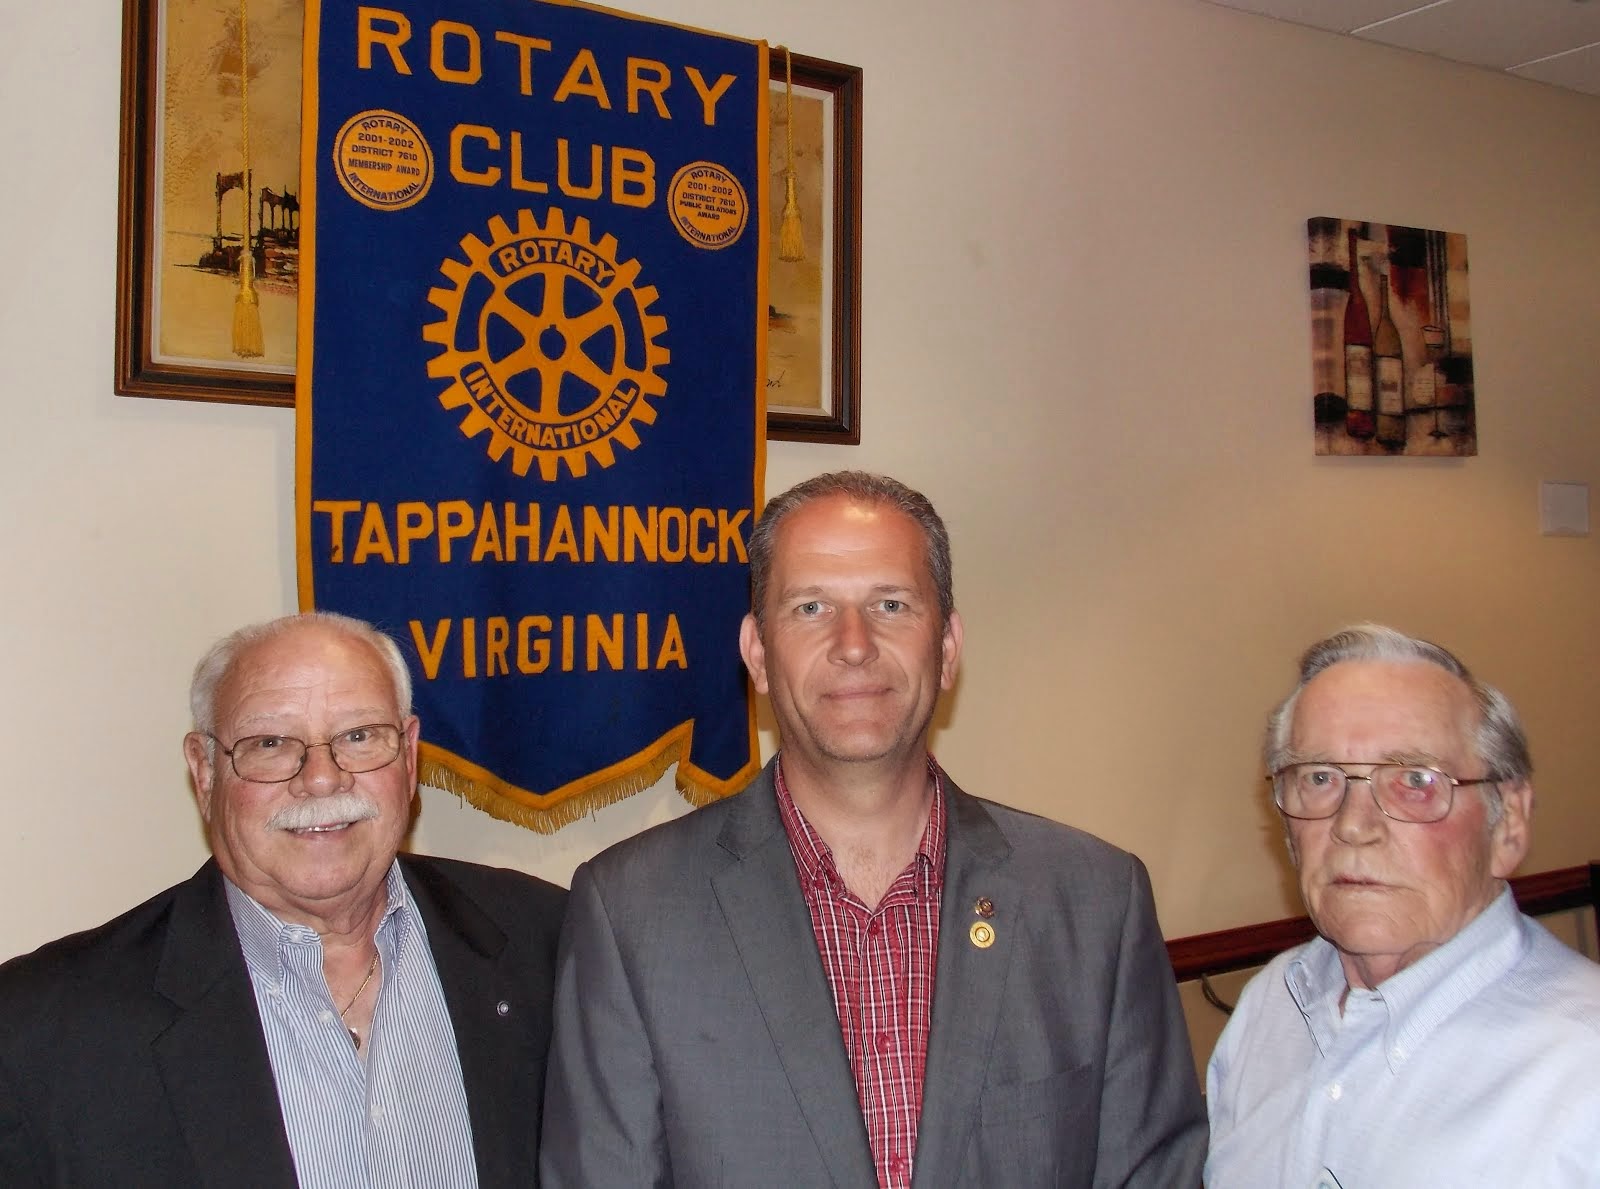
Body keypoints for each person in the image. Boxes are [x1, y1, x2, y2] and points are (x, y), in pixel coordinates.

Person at [541, 471, 1205, 1187]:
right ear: (758, 653)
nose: (853, 644)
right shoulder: (630, 914)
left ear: (947, 648)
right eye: (811, 607)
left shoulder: (1096, 902)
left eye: (891, 604)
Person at [0, 612, 567, 1187]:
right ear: (204, 772)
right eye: (270, 744)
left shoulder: (554, 947)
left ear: (410, 756)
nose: (321, 779)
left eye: (358, 736)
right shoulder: (39, 1032)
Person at [1206, 624, 1600, 1188]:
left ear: (1507, 823)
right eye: (1319, 777)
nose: (1352, 825)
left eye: (1414, 779)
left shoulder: (1585, 1077)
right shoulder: (1269, 1009)